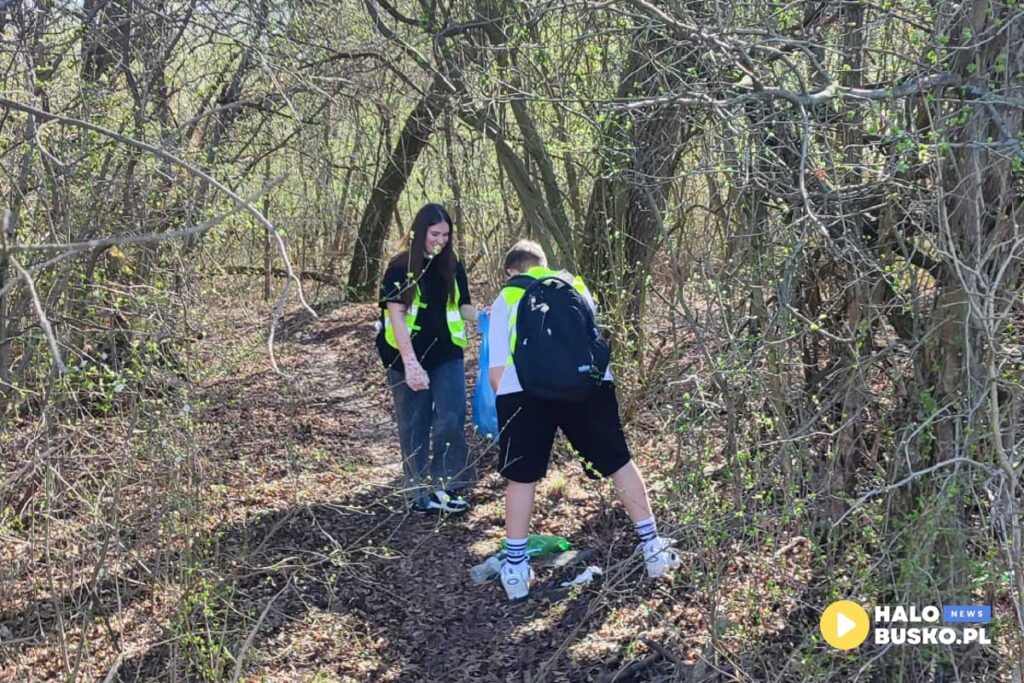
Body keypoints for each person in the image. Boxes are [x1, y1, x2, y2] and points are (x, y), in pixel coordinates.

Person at [487, 239, 679, 600]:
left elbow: (497, 372)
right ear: (544, 263)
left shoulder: (507, 297)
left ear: (512, 270)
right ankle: (652, 546)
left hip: (523, 391)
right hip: (588, 386)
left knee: (521, 478)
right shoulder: (574, 285)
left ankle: (514, 570)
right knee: (619, 462)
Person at [376, 203, 478, 514]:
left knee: (451, 418)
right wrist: (411, 364)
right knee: (414, 423)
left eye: (446, 234)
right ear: (419, 232)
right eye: (435, 234)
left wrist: (487, 318)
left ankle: (446, 486)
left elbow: (462, 306)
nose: (441, 240)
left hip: (447, 351)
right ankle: (417, 490)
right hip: (404, 353)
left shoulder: (452, 263)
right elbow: (396, 316)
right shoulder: (399, 267)